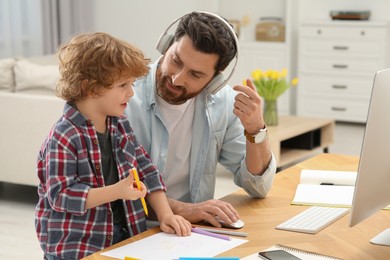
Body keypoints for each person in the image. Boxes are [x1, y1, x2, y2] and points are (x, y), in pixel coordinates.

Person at [35, 32, 191, 260]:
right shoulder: (64, 136)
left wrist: (165, 214)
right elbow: (60, 196)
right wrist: (117, 191)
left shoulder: (120, 125)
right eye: (122, 85)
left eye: (132, 83)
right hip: (76, 248)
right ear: (90, 88)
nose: (131, 92)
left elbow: (147, 170)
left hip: (124, 238)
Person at [125, 11, 276, 228]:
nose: (177, 78)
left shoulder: (223, 103)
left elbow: (258, 186)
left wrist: (255, 130)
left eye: (195, 75)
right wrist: (184, 210)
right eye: (176, 60)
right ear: (166, 45)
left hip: (192, 232)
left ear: (215, 79)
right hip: (133, 231)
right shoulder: (123, 96)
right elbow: (111, 190)